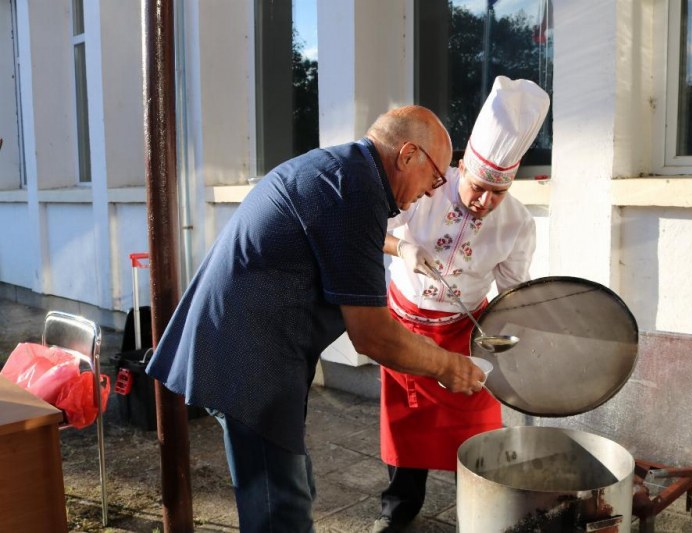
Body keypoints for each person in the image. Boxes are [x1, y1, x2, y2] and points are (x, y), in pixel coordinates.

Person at [145, 105, 489, 533]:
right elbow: (373, 337)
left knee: (292, 487)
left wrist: (399, 246)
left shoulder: (346, 171)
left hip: (248, 346)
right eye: (435, 178)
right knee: (280, 510)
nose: (434, 191)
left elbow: (333, 234)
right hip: (248, 359)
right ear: (408, 155)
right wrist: (448, 366)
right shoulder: (356, 189)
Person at [372, 77, 551, 533]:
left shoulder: (517, 223)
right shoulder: (424, 185)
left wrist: (517, 335)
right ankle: (398, 511)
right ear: (461, 167)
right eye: (477, 187)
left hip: (460, 332)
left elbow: (513, 290)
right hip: (405, 327)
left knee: (474, 426)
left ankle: (477, 514)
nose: (485, 201)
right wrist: (402, 249)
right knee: (403, 421)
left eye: (499, 192)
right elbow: (371, 228)